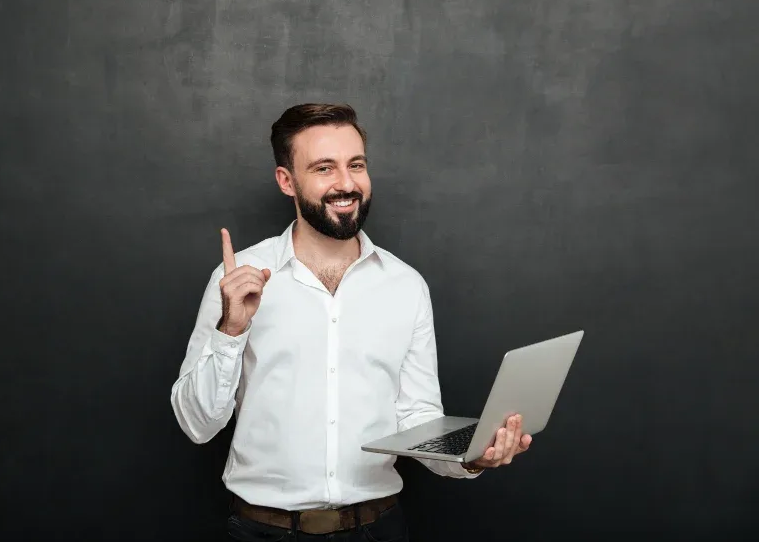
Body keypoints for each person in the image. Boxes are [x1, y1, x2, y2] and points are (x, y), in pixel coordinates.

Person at [170, 103, 531, 541]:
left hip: (378, 530)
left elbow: (417, 417)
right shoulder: (235, 280)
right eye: (324, 168)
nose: (346, 183)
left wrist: (472, 456)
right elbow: (197, 424)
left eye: (356, 165)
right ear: (287, 180)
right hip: (263, 532)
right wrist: (231, 330)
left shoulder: (406, 285)